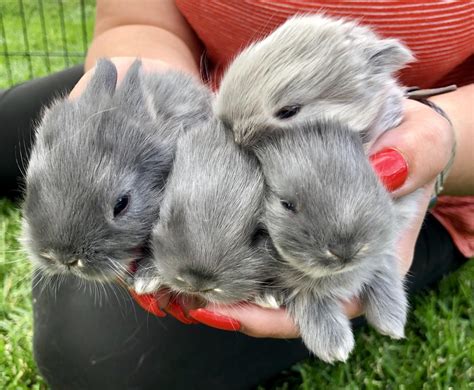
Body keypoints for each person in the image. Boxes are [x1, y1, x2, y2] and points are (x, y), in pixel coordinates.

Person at [1, 1, 472, 388]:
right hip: (216, 95)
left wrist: (439, 141)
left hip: (440, 157)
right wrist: (150, 81)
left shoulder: (344, 119)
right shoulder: (221, 127)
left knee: (93, 353)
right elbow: (136, 20)